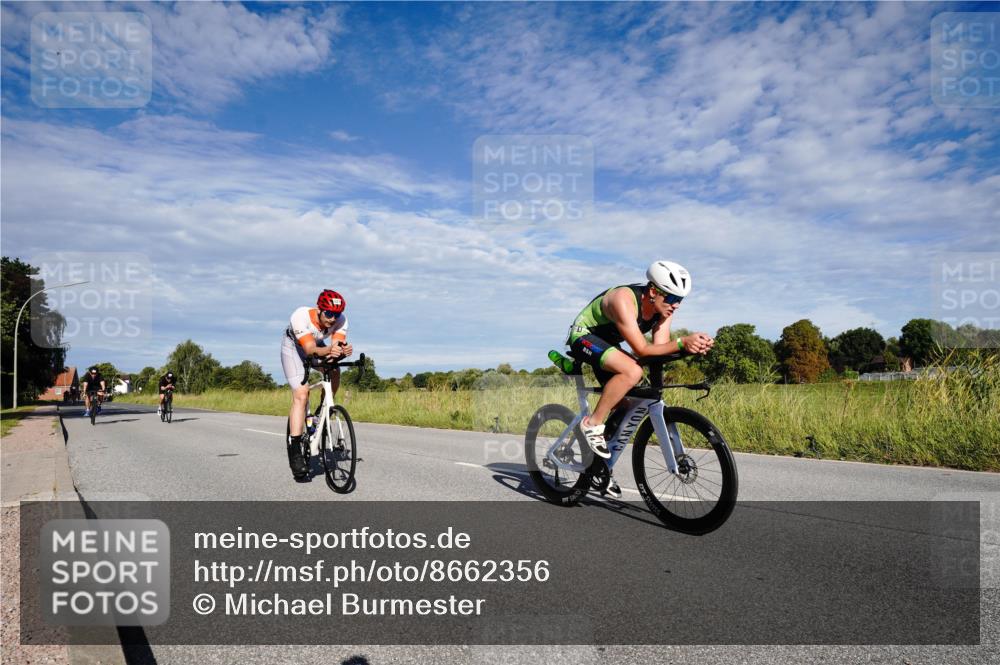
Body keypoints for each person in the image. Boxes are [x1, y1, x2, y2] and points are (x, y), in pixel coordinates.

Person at [564, 260, 714, 497]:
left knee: (628, 403)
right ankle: (591, 424)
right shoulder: (623, 299)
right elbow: (642, 350)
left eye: (680, 300)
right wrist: (682, 342)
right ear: (653, 291)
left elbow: (660, 349)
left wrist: (690, 348)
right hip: (584, 336)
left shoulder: (662, 311)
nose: (676, 306)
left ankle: (599, 467)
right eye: (672, 299)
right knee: (633, 371)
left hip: (607, 345)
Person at [280, 290, 353, 478]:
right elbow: (310, 349)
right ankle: (295, 448)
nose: (332, 319)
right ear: (319, 309)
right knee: (302, 395)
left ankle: (324, 409)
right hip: (295, 349)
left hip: (316, 346)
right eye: (328, 314)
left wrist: (342, 350)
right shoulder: (300, 316)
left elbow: (335, 347)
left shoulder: (341, 320)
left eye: (336, 315)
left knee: (335, 370)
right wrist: (330, 349)